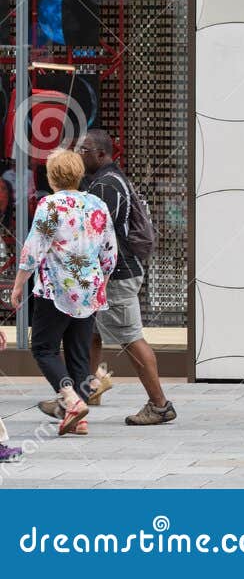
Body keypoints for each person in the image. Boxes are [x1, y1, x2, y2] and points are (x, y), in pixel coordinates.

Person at [52, 131, 175, 427]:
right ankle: (81, 395)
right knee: (91, 332)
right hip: (113, 273)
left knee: (131, 337)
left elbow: (95, 236)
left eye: (85, 149)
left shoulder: (106, 186)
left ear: (102, 155)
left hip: (116, 276)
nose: (79, 153)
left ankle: (159, 405)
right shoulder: (107, 181)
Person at [11, 148, 117, 436]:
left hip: (58, 288)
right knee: (79, 354)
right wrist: (103, 279)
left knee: (44, 348)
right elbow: (109, 250)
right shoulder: (97, 203)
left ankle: (70, 399)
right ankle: (79, 419)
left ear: (52, 175)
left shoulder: (50, 204)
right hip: (90, 288)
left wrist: (19, 283)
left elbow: (35, 248)